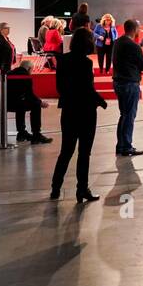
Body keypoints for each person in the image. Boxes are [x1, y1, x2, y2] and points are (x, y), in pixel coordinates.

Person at [50, 28, 107, 201]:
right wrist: (101, 101)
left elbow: (60, 87)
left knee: (66, 151)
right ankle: (81, 189)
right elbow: (87, 88)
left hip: (69, 110)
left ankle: (55, 188)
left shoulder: (63, 60)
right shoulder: (86, 62)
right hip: (86, 111)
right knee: (84, 153)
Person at [0, 59, 51, 144]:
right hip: (2, 103)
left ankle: (22, 133)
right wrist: (40, 102)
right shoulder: (25, 76)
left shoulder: (10, 73)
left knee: (21, 104)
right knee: (35, 105)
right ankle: (36, 134)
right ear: (29, 69)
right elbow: (29, 95)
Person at [112, 19, 143, 157]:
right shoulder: (133, 45)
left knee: (124, 115)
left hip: (118, 81)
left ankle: (120, 145)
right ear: (135, 29)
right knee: (129, 115)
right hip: (129, 83)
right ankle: (126, 146)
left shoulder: (118, 42)